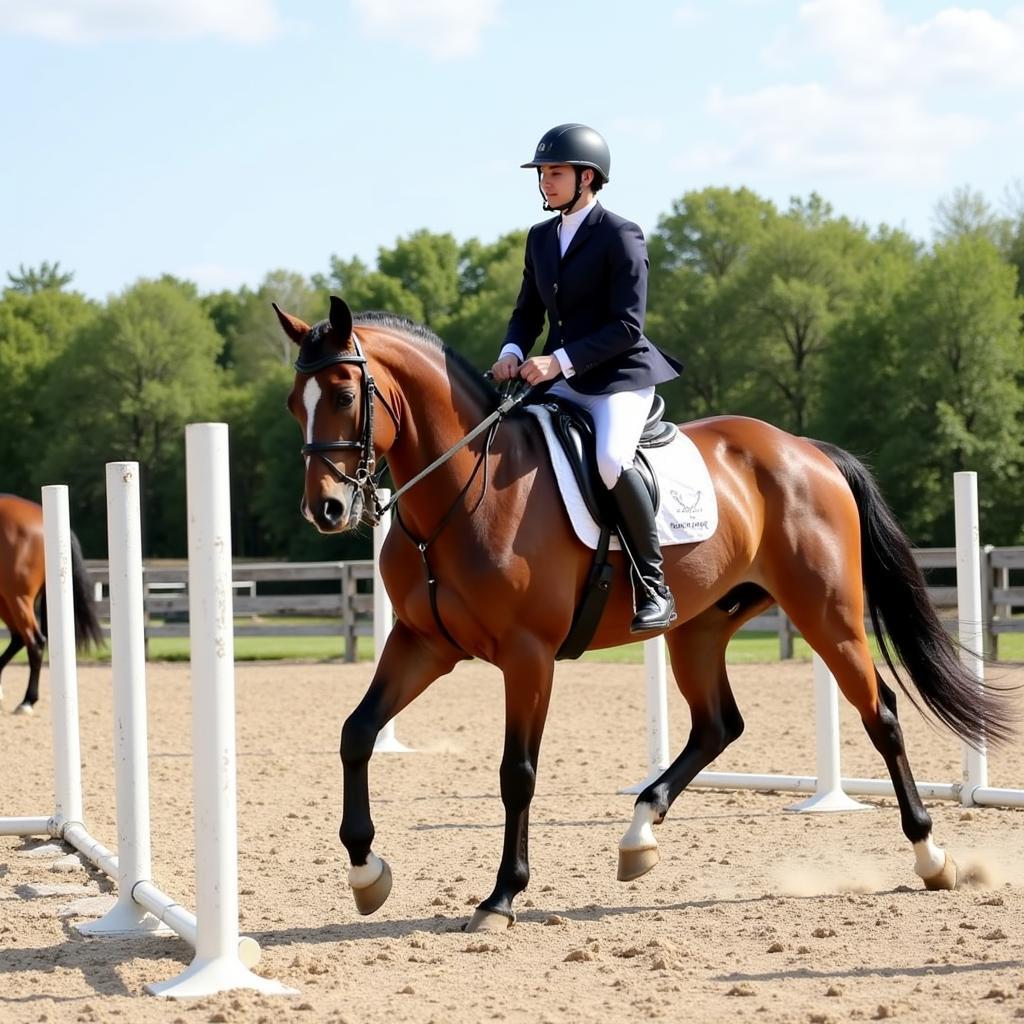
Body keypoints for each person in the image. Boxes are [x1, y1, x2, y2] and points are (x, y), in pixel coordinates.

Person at [491, 123, 682, 633]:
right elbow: (528, 312)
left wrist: (558, 361)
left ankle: (654, 585)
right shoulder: (540, 238)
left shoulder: (621, 234)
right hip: (560, 376)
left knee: (611, 459)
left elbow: (626, 326)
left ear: (588, 177)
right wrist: (513, 349)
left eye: (556, 172)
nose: (546, 181)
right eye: (543, 173)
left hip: (619, 376)